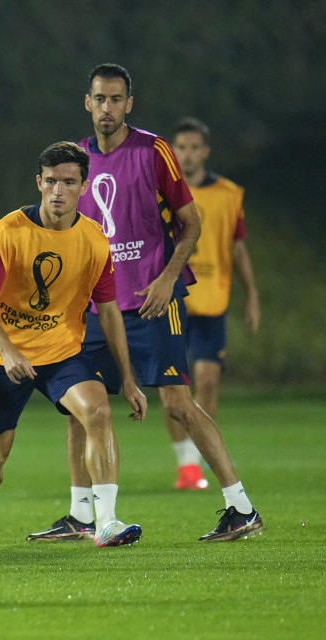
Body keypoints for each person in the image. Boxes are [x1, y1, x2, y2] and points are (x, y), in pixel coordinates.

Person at [27, 64, 262, 543]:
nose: (108, 108)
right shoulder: (77, 162)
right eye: (100, 99)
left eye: (116, 99)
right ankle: (82, 515)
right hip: (98, 309)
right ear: (87, 102)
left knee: (177, 404)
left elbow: (190, 223)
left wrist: (167, 278)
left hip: (156, 301)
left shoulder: (154, 151)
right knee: (79, 404)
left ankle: (241, 508)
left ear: (128, 104)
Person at [0, 142, 147, 548]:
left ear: (84, 187)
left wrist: (129, 380)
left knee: (98, 410)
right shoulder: (8, 231)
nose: (58, 190)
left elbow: (108, 312)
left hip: (61, 353)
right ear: (39, 182)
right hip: (1, 356)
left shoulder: (94, 241)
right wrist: (10, 351)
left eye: (69, 182)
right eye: (51, 181)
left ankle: (106, 523)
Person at [166, 117, 260, 489]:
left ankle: (200, 456)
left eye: (193, 148)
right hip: (171, 301)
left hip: (211, 301)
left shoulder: (227, 194)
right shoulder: (162, 194)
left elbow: (237, 248)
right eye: (181, 148)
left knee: (206, 381)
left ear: (205, 151)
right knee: (173, 386)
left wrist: (251, 294)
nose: (187, 155)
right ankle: (186, 467)